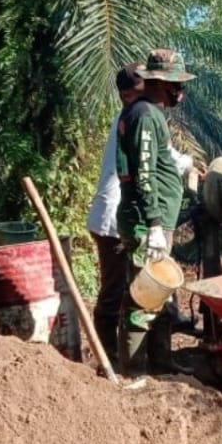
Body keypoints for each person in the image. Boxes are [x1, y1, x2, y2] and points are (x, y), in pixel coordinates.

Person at [86, 62, 193, 355]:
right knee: (117, 292)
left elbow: (166, 158)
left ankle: (143, 352)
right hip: (118, 217)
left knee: (143, 289)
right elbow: (149, 170)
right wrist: (157, 223)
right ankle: (108, 356)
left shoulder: (145, 115)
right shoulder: (138, 117)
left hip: (132, 214)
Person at [116, 48, 196, 378]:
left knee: (159, 293)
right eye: (178, 85)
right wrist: (153, 225)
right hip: (146, 221)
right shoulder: (145, 115)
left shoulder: (147, 113)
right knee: (142, 297)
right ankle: (134, 372)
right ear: (162, 83)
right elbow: (144, 174)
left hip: (156, 220)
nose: (181, 92)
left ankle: (162, 363)